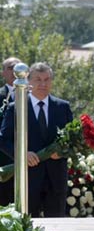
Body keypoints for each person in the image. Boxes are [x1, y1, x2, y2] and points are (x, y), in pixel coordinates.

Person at [0, 63, 73, 217]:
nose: (43, 84)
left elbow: (72, 139)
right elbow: (3, 140)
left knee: (58, 226)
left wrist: (62, 152)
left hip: (56, 179)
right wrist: (22, 154)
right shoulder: (16, 107)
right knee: (26, 226)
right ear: (29, 82)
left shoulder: (62, 107)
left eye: (47, 79)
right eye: (38, 79)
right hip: (27, 179)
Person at [0, 57, 20, 206]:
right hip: (3, 157)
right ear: (3, 73)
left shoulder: (33, 94)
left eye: (17, 66)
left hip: (31, 158)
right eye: (10, 67)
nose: (14, 70)